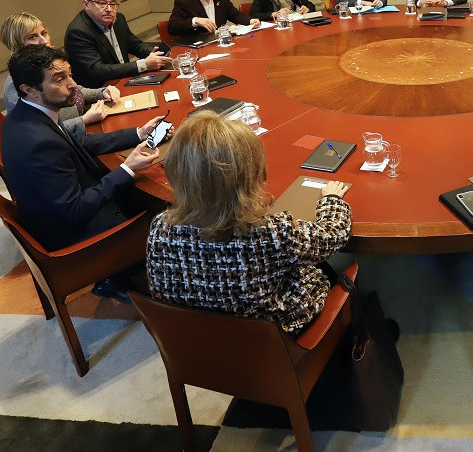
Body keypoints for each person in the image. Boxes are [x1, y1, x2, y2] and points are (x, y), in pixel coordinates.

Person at [146, 112, 352, 335]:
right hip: (271, 342)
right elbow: (334, 235)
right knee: (323, 270)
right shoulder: (269, 233)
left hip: (194, 339)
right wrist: (331, 200)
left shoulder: (160, 228)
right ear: (249, 174)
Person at [2, 46, 167, 299]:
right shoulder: (37, 142)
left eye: (69, 75)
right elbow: (74, 210)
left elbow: (78, 144)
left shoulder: (27, 115)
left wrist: (138, 133)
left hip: (59, 211)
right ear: (28, 89)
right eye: (59, 79)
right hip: (76, 238)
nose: (73, 85)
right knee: (168, 210)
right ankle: (123, 274)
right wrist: (126, 169)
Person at [0, 12, 119, 135]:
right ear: (16, 44)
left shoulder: (50, 63)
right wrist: (84, 120)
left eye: (44, 33)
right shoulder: (16, 83)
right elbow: (35, 132)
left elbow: (74, 90)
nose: (43, 41)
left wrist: (100, 92)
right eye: (32, 37)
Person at [65, 0, 173, 88]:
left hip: (125, 78)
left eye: (112, 4)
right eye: (102, 3)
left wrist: (156, 55)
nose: (109, 9)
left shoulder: (119, 19)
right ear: (86, 4)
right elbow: (97, 70)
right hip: (101, 90)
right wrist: (144, 64)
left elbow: (135, 44)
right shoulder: (78, 32)